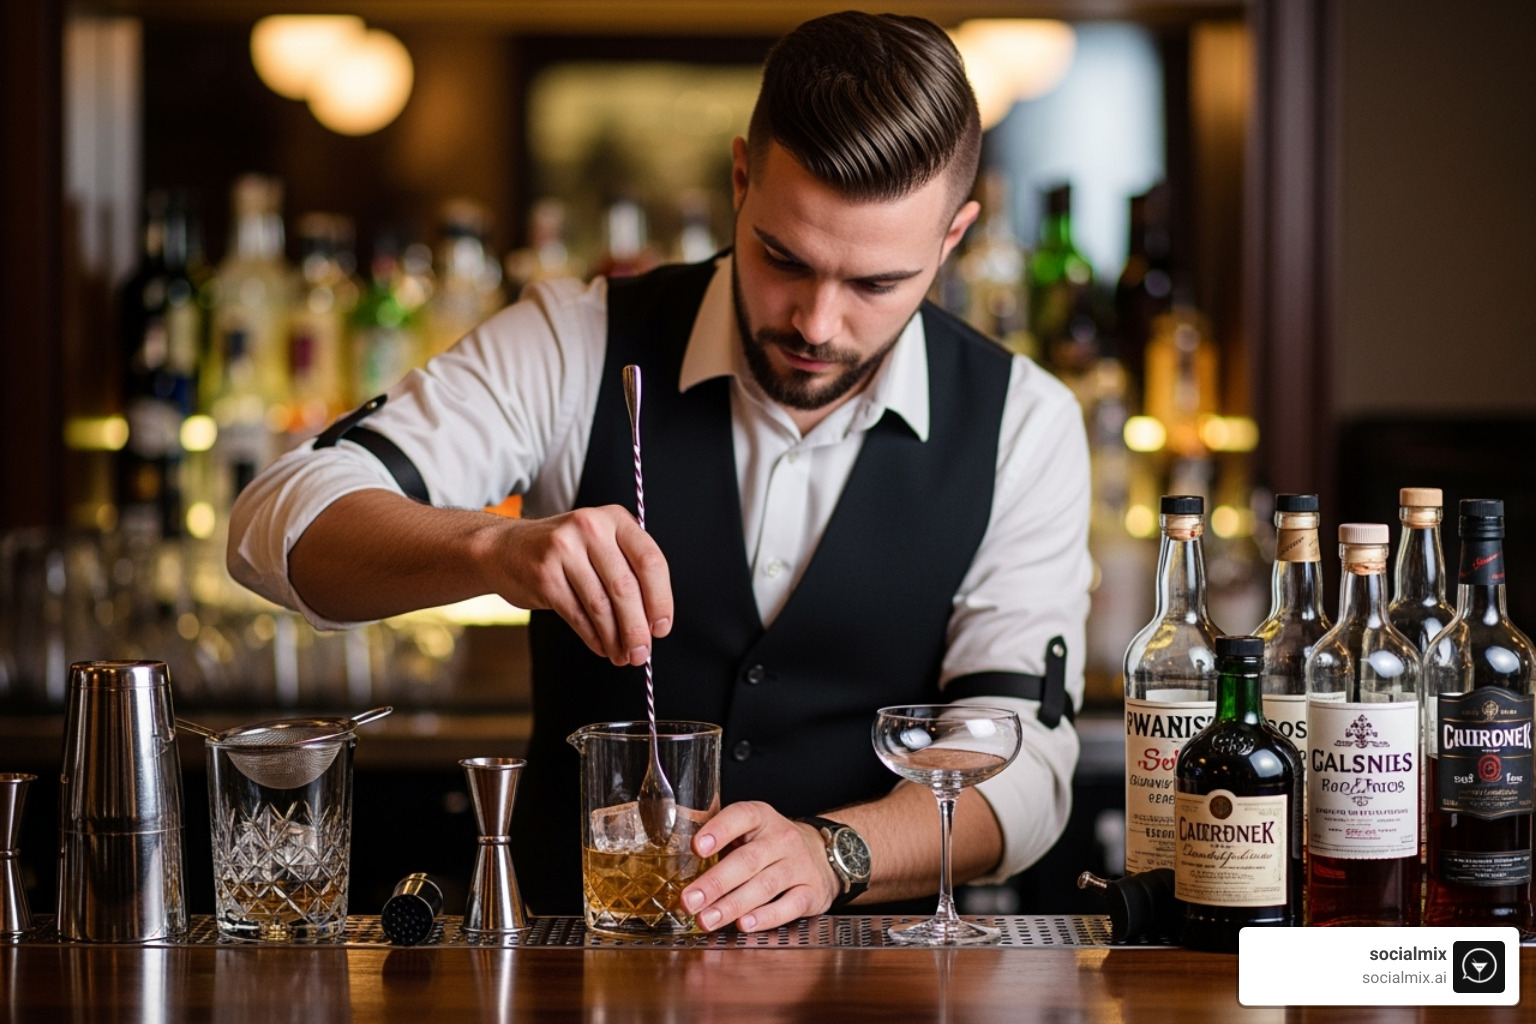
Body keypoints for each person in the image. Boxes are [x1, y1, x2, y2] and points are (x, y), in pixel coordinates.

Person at [229, 11, 1091, 931]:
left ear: (954, 236)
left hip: (872, 976)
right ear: (739, 178)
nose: (816, 322)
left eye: (876, 284)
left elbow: (1026, 766)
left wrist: (836, 852)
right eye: (783, 258)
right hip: (578, 961)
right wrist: (494, 547)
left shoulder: (1022, 423)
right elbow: (274, 523)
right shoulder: (573, 340)